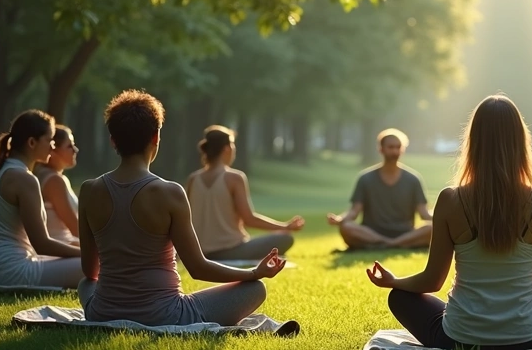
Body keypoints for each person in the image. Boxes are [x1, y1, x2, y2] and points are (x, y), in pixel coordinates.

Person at [365, 95, 532, 350]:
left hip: (457, 339)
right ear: (521, 142)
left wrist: (394, 281)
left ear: (473, 142)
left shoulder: (450, 200)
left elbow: (432, 281)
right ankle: (526, 324)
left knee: (400, 297)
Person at [78, 90, 288, 327]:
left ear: (113, 140)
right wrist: (253, 273)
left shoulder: (88, 190)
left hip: (102, 313)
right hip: (166, 315)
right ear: (156, 138)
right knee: (255, 289)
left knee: (85, 284)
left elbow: (89, 270)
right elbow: (198, 268)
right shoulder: (169, 192)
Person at [0, 110, 84, 287]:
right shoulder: (25, 179)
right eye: (49, 140)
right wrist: (88, 255)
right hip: (7, 271)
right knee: (98, 265)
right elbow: (42, 244)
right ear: (32, 142)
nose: (52, 146)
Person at [187, 125, 304, 261]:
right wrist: (285, 226)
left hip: (201, 253)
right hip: (231, 251)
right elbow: (249, 219)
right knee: (285, 238)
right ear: (227, 148)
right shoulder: (234, 178)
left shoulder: (193, 179)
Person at [328, 128, 433, 249]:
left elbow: (424, 214)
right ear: (381, 149)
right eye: (391, 147)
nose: (394, 151)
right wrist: (340, 219)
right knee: (346, 227)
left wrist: (445, 216)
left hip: (405, 232)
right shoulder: (365, 178)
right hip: (372, 232)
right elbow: (354, 211)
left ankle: (385, 244)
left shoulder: (413, 179)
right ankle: (393, 243)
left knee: (432, 228)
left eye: (398, 147)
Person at [34, 124, 80, 245]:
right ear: (53, 151)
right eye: (69, 146)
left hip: (68, 243)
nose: (75, 150)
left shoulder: (57, 177)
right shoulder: (53, 181)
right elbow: (75, 229)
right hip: (59, 246)